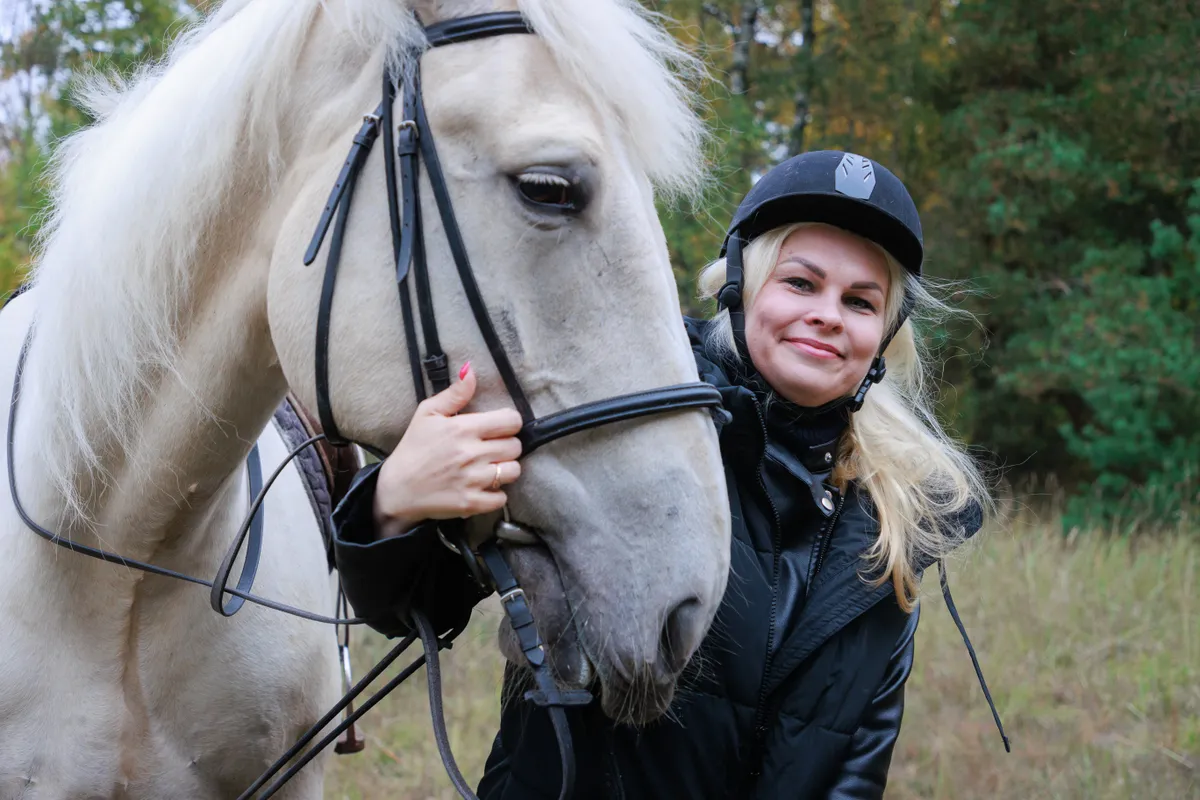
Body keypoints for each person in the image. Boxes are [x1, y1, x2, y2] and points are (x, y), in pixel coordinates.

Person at [332, 150, 1005, 798]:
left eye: (860, 301)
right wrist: (395, 502)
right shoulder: (616, 426)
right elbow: (412, 604)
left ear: (885, 334)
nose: (827, 314)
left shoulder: (896, 523)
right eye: (800, 283)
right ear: (741, 288)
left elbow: (856, 766)